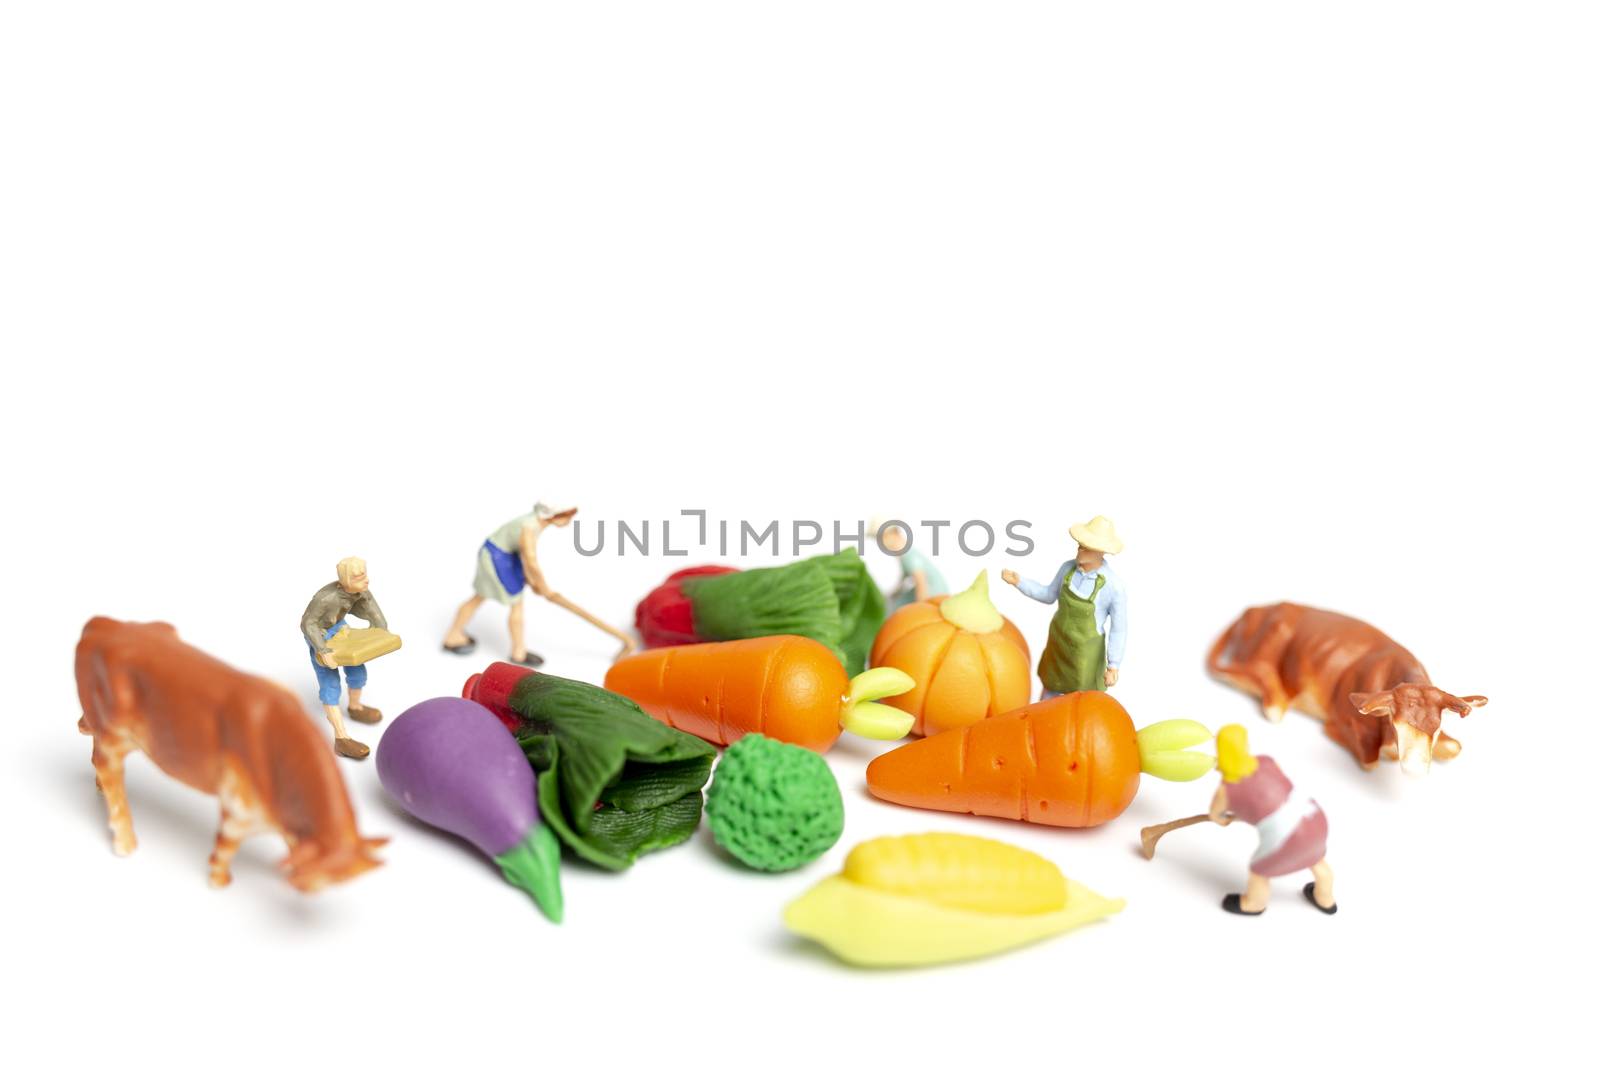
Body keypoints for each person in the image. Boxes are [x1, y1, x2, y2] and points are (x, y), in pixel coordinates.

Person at [1209, 724, 1336, 916]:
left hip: (1286, 837)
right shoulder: (1267, 761)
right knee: (1316, 858)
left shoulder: (1226, 790)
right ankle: (1325, 897)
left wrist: (1226, 819)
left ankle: (1254, 903)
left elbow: (1215, 816)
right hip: (1313, 816)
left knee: (1258, 871)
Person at [1001, 515, 1126, 698]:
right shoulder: (1067, 569)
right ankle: (1040, 715)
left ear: (1100, 551)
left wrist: (1113, 665)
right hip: (1058, 643)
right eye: (1080, 545)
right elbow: (1048, 594)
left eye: (1086, 547)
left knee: (1081, 697)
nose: (1079, 550)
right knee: (1050, 686)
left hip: (1085, 655)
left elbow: (1119, 630)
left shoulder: (1112, 587)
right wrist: (1019, 582)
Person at [443, 502, 571, 665]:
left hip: (502, 554)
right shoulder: (529, 527)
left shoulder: (535, 522)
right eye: (566, 513)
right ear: (553, 515)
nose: (569, 517)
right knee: (514, 602)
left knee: (480, 597)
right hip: (498, 558)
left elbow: (525, 556)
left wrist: (533, 581)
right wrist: (545, 588)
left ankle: (453, 635)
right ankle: (518, 652)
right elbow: (530, 561)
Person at [301, 557, 388, 760]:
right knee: (330, 684)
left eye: (365, 574)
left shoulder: (360, 590)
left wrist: (381, 631)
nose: (366, 580)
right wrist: (322, 650)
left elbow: (372, 608)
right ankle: (341, 739)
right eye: (359, 577)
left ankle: (355, 707)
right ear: (344, 581)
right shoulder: (325, 598)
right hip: (320, 635)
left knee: (358, 671)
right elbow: (308, 624)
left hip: (340, 628)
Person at [873, 520, 947, 611]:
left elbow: (921, 582)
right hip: (936, 595)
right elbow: (901, 584)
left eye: (882, 538)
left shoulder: (908, 555)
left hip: (934, 595)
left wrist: (923, 608)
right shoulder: (905, 555)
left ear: (894, 534)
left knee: (894, 610)